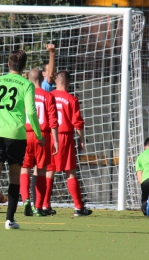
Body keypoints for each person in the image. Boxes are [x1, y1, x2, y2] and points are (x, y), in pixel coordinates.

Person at [0, 50, 45, 229]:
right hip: (16, 135)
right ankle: (9, 220)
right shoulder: (27, 84)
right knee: (15, 176)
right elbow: (31, 112)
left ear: (8, 64)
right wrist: (38, 135)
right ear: (24, 67)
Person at [47, 70, 92, 216]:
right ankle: (79, 207)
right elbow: (77, 123)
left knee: (49, 171)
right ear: (69, 83)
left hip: (49, 136)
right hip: (65, 137)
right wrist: (82, 139)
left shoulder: (49, 95)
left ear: (55, 82)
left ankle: (44, 205)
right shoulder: (72, 99)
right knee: (70, 172)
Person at [20, 69, 58, 217]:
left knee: (24, 169)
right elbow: (53, 120)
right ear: (40, 79)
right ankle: (38, 206)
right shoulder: (48, 96)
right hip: (42, 135)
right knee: (41, 170)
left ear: (29, 80)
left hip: (25, 134)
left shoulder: (24, 95)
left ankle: (25, 200)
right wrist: (55, 140)